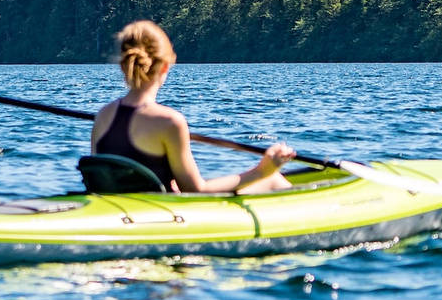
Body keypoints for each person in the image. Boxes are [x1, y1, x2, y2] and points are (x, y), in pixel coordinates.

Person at [90, 19, 293, 193]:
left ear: (124, 65)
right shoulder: (169, 121)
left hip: (123, 207)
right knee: (273, 180)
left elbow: (107, 180)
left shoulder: (103, 116)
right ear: (165, 66)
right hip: (162, 216)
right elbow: (195, 190)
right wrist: (262, 170)